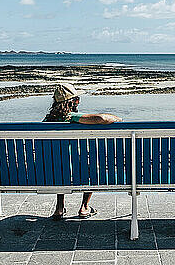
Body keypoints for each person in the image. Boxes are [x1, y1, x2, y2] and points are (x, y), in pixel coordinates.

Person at [43, 82, 122, 220]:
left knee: (59, 164)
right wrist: (117, 119)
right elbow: (102, 119)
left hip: (52, 173)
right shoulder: (73, 118)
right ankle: (84, 207)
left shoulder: (45, 122)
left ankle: (59, 208)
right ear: (76, 101)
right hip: (80, 171)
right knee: (90, 166)